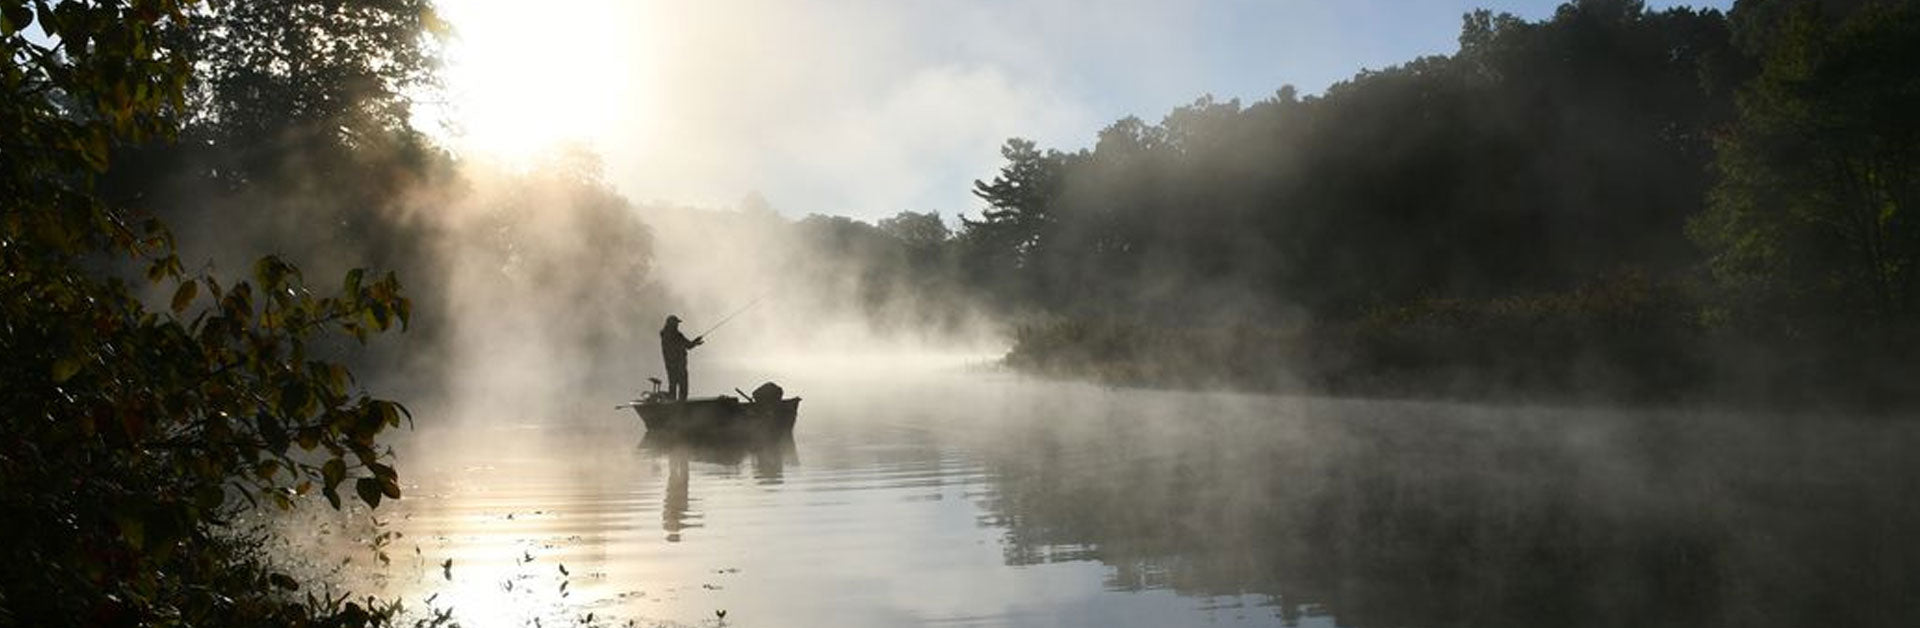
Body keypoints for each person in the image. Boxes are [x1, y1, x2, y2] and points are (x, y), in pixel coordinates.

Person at [659, 315, 703, 401]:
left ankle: (673, 405)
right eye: (676, 323)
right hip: (679, 365)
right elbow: (688, 346)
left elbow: (687, 345)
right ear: (672, 324)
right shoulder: (676, 335)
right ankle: (680, 406)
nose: (677, 325)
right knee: (683, 386)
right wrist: (695, 342)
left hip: (670, 365)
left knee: (673, 385)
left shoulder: (665, 335)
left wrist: (695, 342)